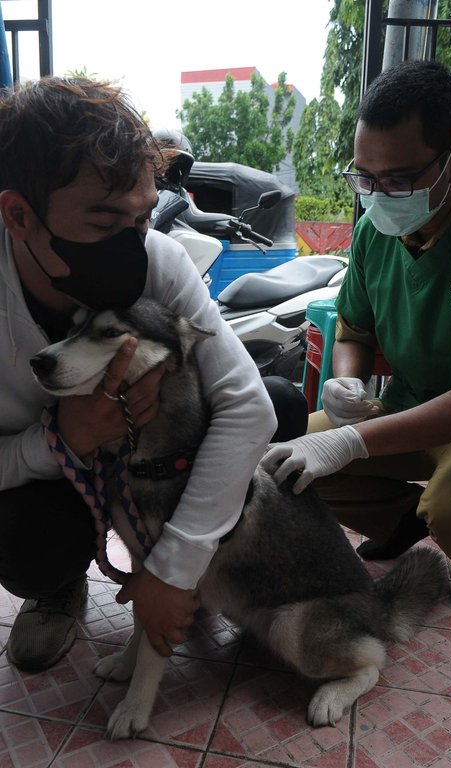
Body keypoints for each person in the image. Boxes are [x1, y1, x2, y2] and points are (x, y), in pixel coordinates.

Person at [0, 75, 306, 672]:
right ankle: (57, 587)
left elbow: (249, 407)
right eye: (103, 223)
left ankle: (216, 569)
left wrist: (174, 567)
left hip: (146, 468)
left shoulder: (160, 263)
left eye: (140, 221)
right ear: (19, 216)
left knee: (283, 401)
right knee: (28, 540)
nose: (131, 247)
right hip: (46, 480)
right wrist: (62, 440)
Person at [261, 59, 451, 612]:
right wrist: (346, 383)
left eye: (399, 179)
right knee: (282, 463)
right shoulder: (373, 232)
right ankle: (404, 518)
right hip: (402, 410)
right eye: (365, 177)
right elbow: (354, 329)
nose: (378, 195)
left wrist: (352, 441)